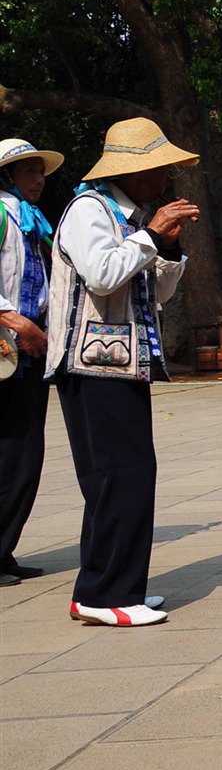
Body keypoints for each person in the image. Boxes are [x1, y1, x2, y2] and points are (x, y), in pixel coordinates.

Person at [46, 118, 201, 627]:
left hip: (118, 364)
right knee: (119, 476)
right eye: (160, 170)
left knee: (126, 475)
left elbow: (153, 293)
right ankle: (103, 594)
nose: (166, 180)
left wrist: (168, 247)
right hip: (92, 367)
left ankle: (112, 586)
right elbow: (102, 273)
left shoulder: (125, 216)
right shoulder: (88, 211)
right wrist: (151, 235)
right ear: (136, 172)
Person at [0, 139, 64, 588]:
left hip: (30, 351)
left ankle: (4, 549)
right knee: (12, 452)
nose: (38, 179)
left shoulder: (32, 220)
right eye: (27, 171)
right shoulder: (4, 214)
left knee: (24, 452)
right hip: (8, 344)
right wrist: (13, 319)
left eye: (40, 171)